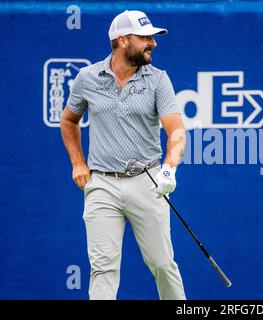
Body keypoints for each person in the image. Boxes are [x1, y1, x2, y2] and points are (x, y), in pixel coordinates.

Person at [60, 10, 186, 300]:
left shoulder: (158, 80)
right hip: (102, 183)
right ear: (123, 40)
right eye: (145, 37)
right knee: (103, 268)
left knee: (163, 264)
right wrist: (78, 162)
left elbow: (176, 131)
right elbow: (68, 120)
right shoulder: (87, 78)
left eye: (153, 37)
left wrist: (169, 169)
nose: (153, 42)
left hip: (148, 181)